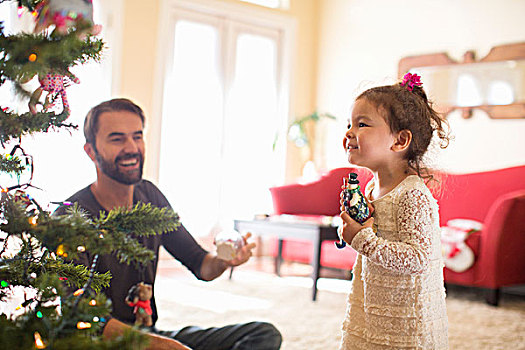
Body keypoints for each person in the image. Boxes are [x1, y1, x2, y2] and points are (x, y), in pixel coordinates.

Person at [54, 98, 282, 350]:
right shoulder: (69, 218)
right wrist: (160, 346)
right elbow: (82, 315)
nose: (131, 148)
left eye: (137, 136)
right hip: (98, 344)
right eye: (117, 139)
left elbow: (200, 263)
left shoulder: (149, 196)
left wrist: (223, 261)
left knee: (264, 334)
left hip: (147, 333)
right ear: (91, 151)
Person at [338, 73, 450, 349]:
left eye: (362, 124)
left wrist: (362, 240)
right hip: (373, 304)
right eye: (349, 124)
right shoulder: (370, 189)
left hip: (406, 320)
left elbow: (418, 258)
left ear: (400, 141)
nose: (349, 132)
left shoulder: (412, 195)